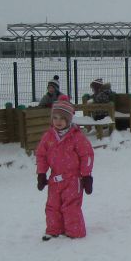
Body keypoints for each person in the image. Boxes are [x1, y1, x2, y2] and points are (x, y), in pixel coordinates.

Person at [35, 96, 94, 240]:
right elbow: (41, 155)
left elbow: (86, 155)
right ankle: (53, 229)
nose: (58, 121)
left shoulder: (76, 137)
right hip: (55, 179)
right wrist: (41, 173)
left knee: (71, 206)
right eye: (55, 118)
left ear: (69, 119)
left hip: (73, 179)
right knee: (52, 206)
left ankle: (75, 231)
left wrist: (86, 176)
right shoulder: (48, 137)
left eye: (62, 118)